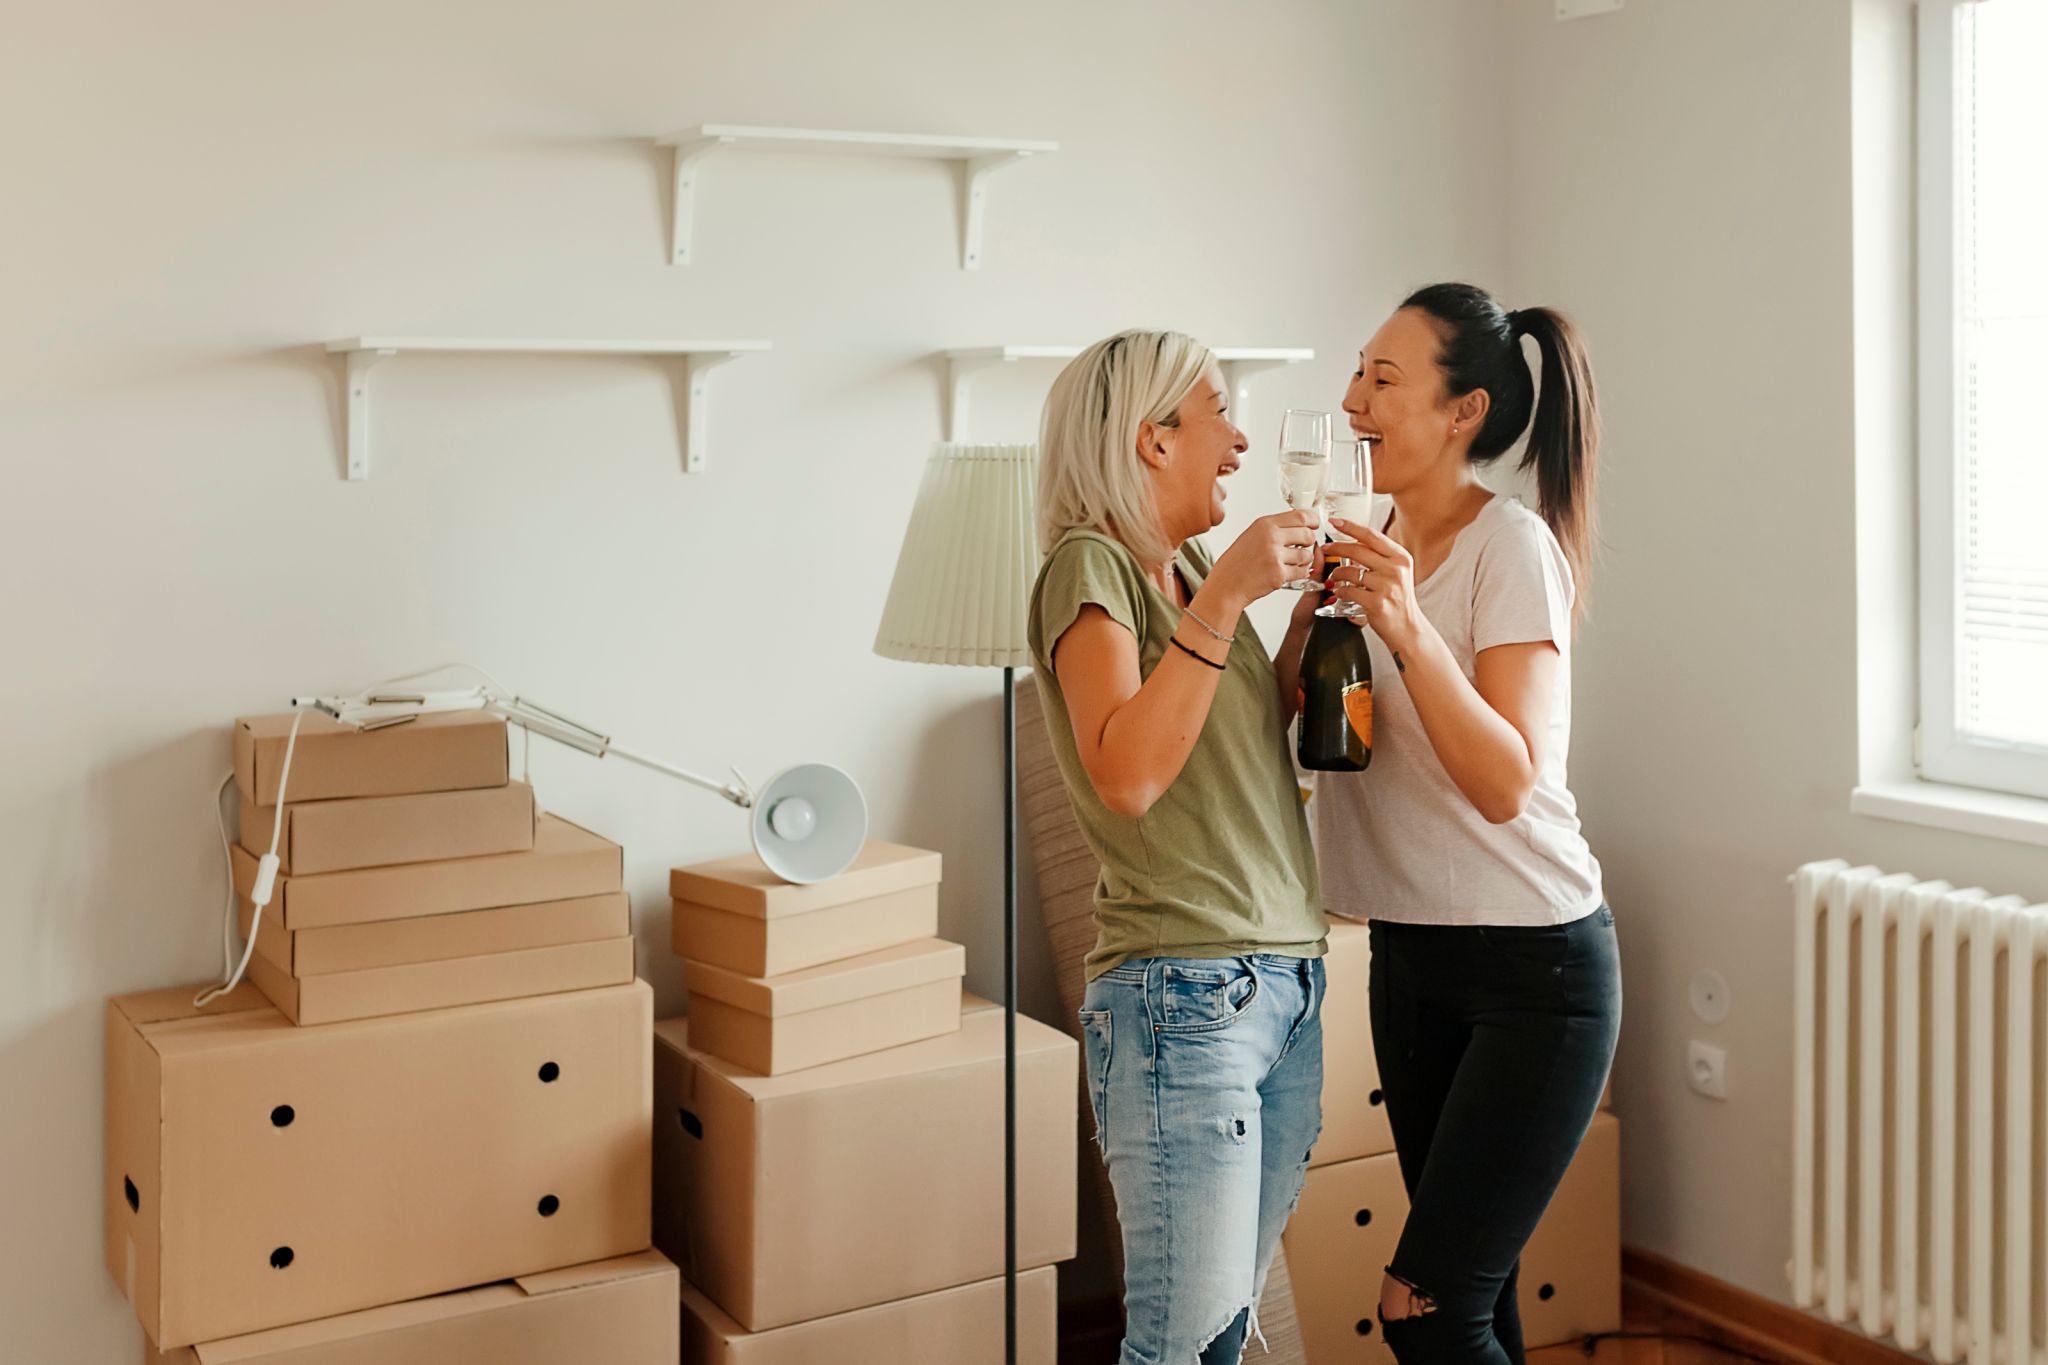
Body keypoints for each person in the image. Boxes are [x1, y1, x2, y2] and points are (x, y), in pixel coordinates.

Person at [1283, 283, 1621, 1364]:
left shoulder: (1508, 548)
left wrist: (1404, 622)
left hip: (1535, 974)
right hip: (1408, 954)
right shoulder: (1366, 533)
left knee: (1420, 1306)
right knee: (1474, 1297)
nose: (1352, 399)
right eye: (1354, 374)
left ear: (1461, 412)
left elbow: (1505, 783)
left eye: (1382, 379)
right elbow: (1301, 704)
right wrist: (1306, 606)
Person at [1026, 329, 1331, 1364]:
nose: (1241, 443)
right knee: (1178, 1345)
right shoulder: (1090, 566)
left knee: (1217, 1338)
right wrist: (1228, 595)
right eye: (1218, 415)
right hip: (1184, 991)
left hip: (1279, 980)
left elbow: (1229, 741)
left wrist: (1301, 625)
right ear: (1151, 440)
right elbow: (1125, 769)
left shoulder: (1187, 570)